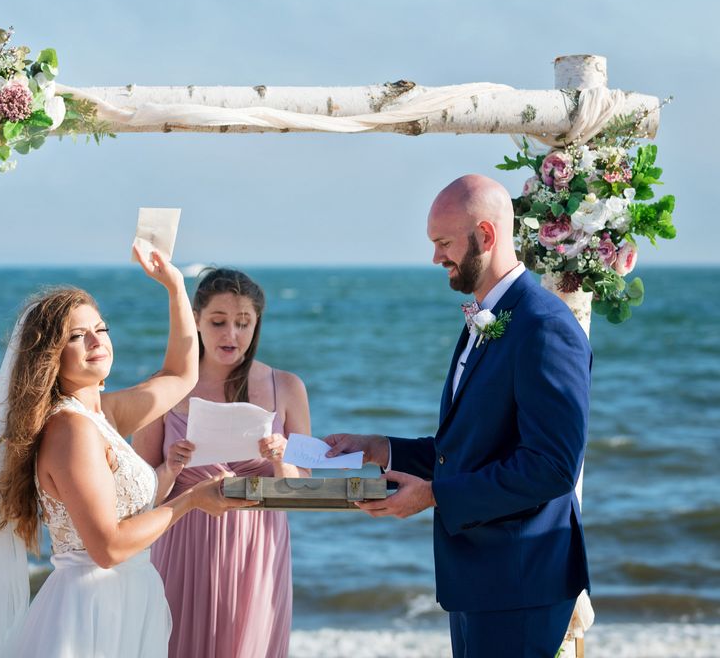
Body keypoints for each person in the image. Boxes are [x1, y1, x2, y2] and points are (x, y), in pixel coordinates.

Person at [0, 247, 255, 658]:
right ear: (51, 356)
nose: (98, 342)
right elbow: (107, 548)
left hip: (128, 600)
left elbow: (182, 374)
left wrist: (174, 287)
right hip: (89, 614)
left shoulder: (103, 414)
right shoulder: (70, 429)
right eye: (78, 336)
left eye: (102, 328)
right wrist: (191, 500)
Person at [326, 175, 591, 658]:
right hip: (479, 582)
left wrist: (433, 496)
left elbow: (551, 467)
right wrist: (381, 448)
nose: (436, 258)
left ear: (486, 237)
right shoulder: (485, 319)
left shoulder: (545, 326)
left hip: (520, 583)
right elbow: (471, 449)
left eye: (444, 243)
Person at [133, 267, 311, 658]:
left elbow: (302, 490)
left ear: (256, 325)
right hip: (182, 542)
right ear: (195, 320)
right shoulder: (161, 389)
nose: (231, 334)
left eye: (243, 323)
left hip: (258, 549)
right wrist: (172, 469)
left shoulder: (288, 387)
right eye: (218, 322)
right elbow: (137, 497)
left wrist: (282, 460)